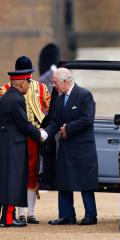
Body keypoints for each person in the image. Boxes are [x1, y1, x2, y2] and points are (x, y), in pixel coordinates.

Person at [41, 68, 98, 225]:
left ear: (65, 81)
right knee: (64, 181)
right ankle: (67, 216)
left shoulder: (84, 95)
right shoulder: (59, 100)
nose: (54, 86)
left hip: (83, 147)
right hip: (66, 148)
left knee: (86, 183)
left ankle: (90, 216)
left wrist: (68, 128)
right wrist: (45, 134)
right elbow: (54, 122)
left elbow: (87, 119)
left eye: (55, 82)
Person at [0, 56, 51, 224]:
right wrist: (41, 134)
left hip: (22, 138)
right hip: (20, 139)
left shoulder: (13, 93)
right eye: (28, 79)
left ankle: (27, 212)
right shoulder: (12, 94)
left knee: (28, 174)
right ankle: (12, 216)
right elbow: (23, 123)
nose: (30, 83)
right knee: (14, 177)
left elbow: (49, 110)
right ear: (22, 80)